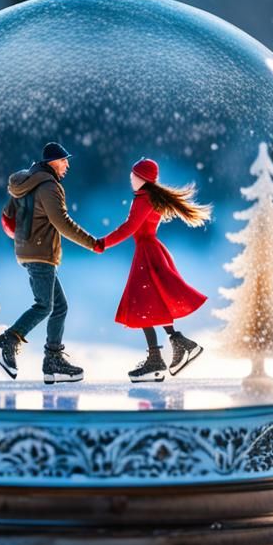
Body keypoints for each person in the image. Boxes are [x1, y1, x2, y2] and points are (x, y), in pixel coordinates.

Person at [0, 142, 102, 384]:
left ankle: (53, 361)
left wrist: (26, 235)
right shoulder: (49, 186)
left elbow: (8, 217)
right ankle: (5, 343)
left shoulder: (23, 183)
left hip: (28, 250)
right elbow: (62, 222)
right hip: (41, 252)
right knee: (44, 305)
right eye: (63, 160)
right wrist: (92, 243)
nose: (67, 165)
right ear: (52, 162)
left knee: (59, 307)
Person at [98, 158, 211, 382]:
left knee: (143, 306)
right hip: (149, 252)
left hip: (147, 255)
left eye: (134, 175)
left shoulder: (144, 199)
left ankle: (157, 358)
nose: (131, 178)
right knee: (153, 303)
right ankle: (178, 345)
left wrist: (102, 243)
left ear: (143, 178)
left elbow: (129, 228)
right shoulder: (146, 197)